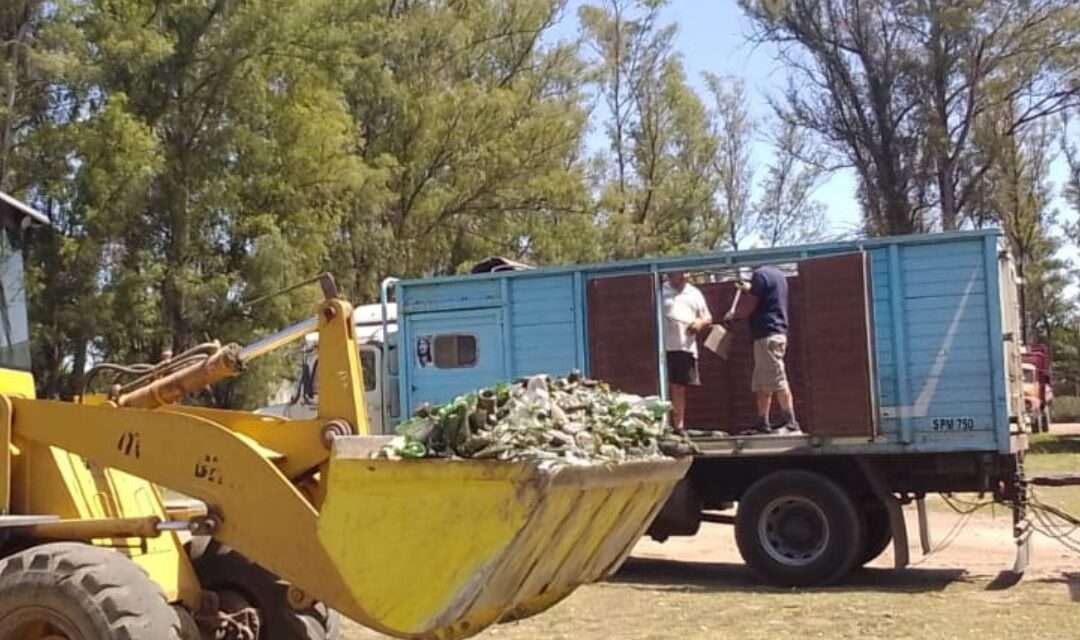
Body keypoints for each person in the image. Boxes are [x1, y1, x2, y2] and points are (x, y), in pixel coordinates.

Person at [725, 265, 801, 434]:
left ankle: (791, 423)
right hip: (774, 333)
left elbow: (750, 305)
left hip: (768, 334)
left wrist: (733, 315)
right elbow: (767, 297)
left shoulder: (760, 275)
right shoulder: (778, 275)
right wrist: (748, 289)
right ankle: (762, 422)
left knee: (778, 379)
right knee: (762, 381)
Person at [662, 272, 711, 433]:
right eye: (680, 274)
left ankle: (678, 427)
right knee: (661, 385)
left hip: (683, 346)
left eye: (686, 273)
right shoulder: (660, 291)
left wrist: (699, 322)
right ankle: (662, 425)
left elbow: (707, 317)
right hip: (662, 346)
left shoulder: (694, 293)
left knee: (679, 388)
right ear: (670, 275)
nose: (684, 276)